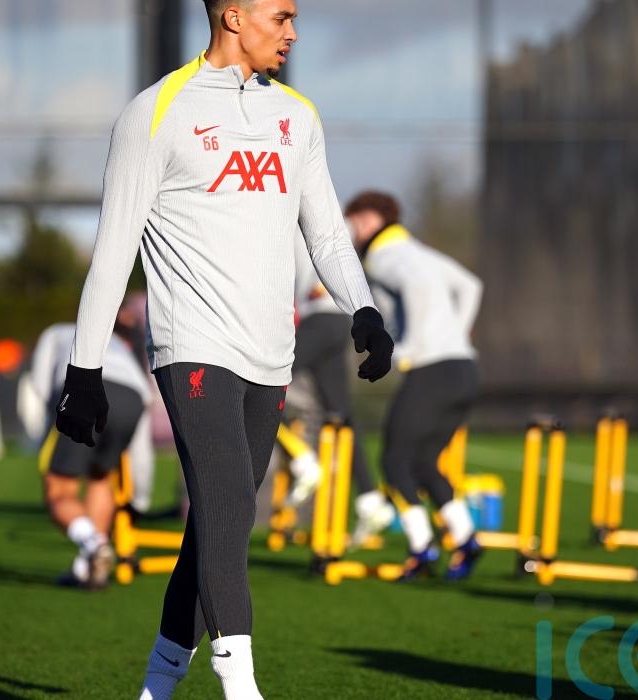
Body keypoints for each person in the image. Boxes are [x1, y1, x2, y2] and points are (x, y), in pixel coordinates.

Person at [53, 1, 393, 697]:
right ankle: (241, 687)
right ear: (233, 16)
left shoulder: (298, 115)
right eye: (281, 16)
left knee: (221, 521)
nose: (293, 32)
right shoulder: (155, 111)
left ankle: (156, 687)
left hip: (272, 354)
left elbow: (327, 233)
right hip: (193, 344)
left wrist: (362, 308)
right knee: (229, 506)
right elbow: (113, 248)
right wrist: (84, 368)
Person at [345, 190, 485, 582]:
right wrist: (457, 334)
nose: (352, 233)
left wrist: (407, 349)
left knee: (394, 461)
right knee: (423, 463)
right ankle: (465, 539)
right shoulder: (419, 251)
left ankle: (422, 549)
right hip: (464, 368)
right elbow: (471, 286)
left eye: (353, 224)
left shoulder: (384, 257)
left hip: (432, 369)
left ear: (369, 221)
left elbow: (417, 290)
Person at [29, 305, 150, 590]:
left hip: (85, 387)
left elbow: (40, 384)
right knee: (100, 478)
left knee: (60, 488)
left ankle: (94, 545)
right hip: (133, 399)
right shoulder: (115, 340)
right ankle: (90, 566)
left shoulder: (56, 332)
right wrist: (141, 498)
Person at [289, 231, 396, 543]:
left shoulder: (289, 213)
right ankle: (370, 499)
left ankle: (303, 460)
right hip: (339, 320)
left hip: (319, 318)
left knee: (262, 381)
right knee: (340, 411)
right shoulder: (335, 222)